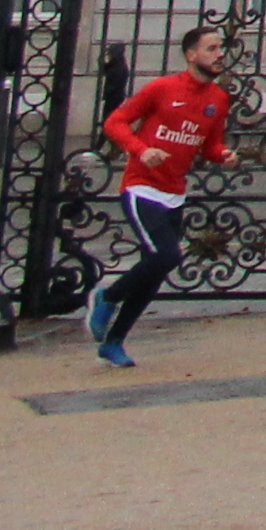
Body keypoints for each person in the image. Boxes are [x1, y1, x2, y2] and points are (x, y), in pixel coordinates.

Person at [87, 22, 233, 368]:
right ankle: (106, 297)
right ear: (191, 54)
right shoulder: (162, 88)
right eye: (211, 49)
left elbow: (209, 145)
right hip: (141, 186)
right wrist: (141, 150)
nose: (219, 55)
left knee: (154, 271)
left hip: (174, 192)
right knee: (167, 255)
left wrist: (223, 155)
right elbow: (115, 123)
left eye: (220, 49)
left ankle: (114, 341)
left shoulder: (218, 99)